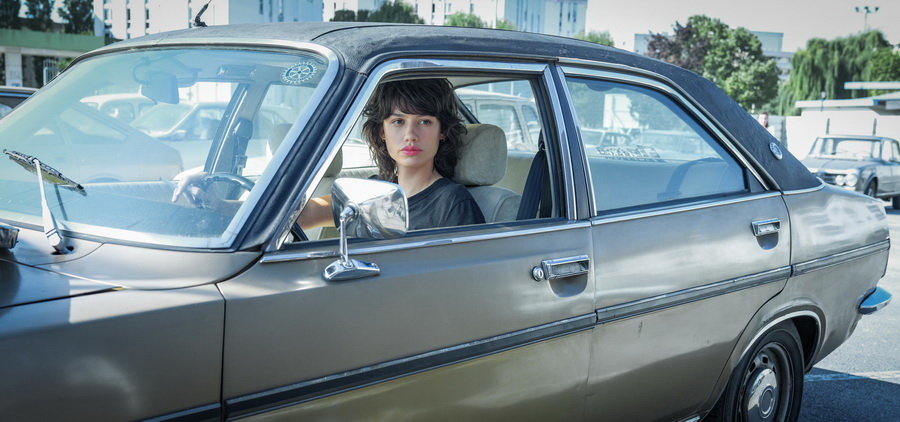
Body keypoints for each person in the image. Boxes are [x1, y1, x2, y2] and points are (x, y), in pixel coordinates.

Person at [173, 78, 485, 232]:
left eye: (425, 122)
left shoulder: (452, 203)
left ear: (442, 131)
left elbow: (460, 283)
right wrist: (216, 204)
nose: (410, 135)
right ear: (381, 132)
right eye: (398, 122)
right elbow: (301, 214)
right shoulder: (370, 191)